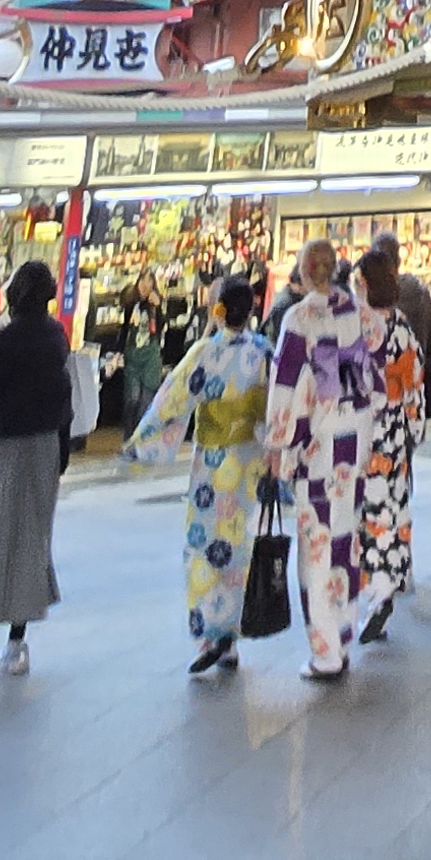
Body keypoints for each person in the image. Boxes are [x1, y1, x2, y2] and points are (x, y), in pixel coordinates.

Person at [131, 274, 274, 674]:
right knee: (239, 547)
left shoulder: (203, 353)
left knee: (204, 548)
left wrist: (144, 445)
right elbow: (278, 406)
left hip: (212, 464)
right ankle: (230, 639)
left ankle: (208, 635)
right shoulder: (264, 352)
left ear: (218, 309)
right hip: (249, 461)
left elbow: (173, 401)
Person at [267, 239, 385, 684]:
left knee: (315, 544)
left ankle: (325, 651)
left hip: (317, 444)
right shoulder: (359, 313)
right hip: (354, 439)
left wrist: (280, 445)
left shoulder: (299, 319)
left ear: (302, 270)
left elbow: (285, 390)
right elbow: (374, 381)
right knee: (344, 536)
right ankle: (344, 630)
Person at [0, 260, 71, 677]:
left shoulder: (10, 337)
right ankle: (18, 645)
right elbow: (63, 393)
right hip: (47, 444)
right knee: (31, 542)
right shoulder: (56, 335)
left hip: (9, 446)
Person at [350, 242, 427, 646]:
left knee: (370, 514)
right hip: (396, 429)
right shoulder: (402, 326)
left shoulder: (360, 329)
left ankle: (377, 594)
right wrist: (413, 426)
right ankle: (390, 580)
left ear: (363, 284)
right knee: (393, 507)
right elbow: (414, 379)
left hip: (366, 431)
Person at [371, 231, 431, 420]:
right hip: (418, 386)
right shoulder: (418, 292)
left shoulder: (366, 300)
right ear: (398, 260)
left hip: (382, 393)